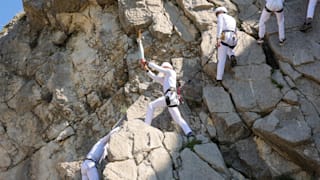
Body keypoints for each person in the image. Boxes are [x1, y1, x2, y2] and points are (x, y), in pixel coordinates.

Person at [137, 33, 193, 137]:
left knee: (151, 105)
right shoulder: (166, 79)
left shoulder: (171, 73)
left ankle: (146, 127)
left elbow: (159, 69)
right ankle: (189, 133)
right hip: (172, 99)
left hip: (170, 97)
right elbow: (154, 77)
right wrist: (146, 69)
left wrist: (147, 62)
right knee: (178, 118)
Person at [214, 6, 238, 84]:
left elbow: (219, 27)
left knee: (221, 58)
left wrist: (218, 38)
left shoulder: (221, 16)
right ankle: (231, 55)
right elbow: (236, 30)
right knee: (228, 46)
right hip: (234, 38)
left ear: (219, 13)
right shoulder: (232, 19)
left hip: (225, 35)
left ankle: (219, 79)